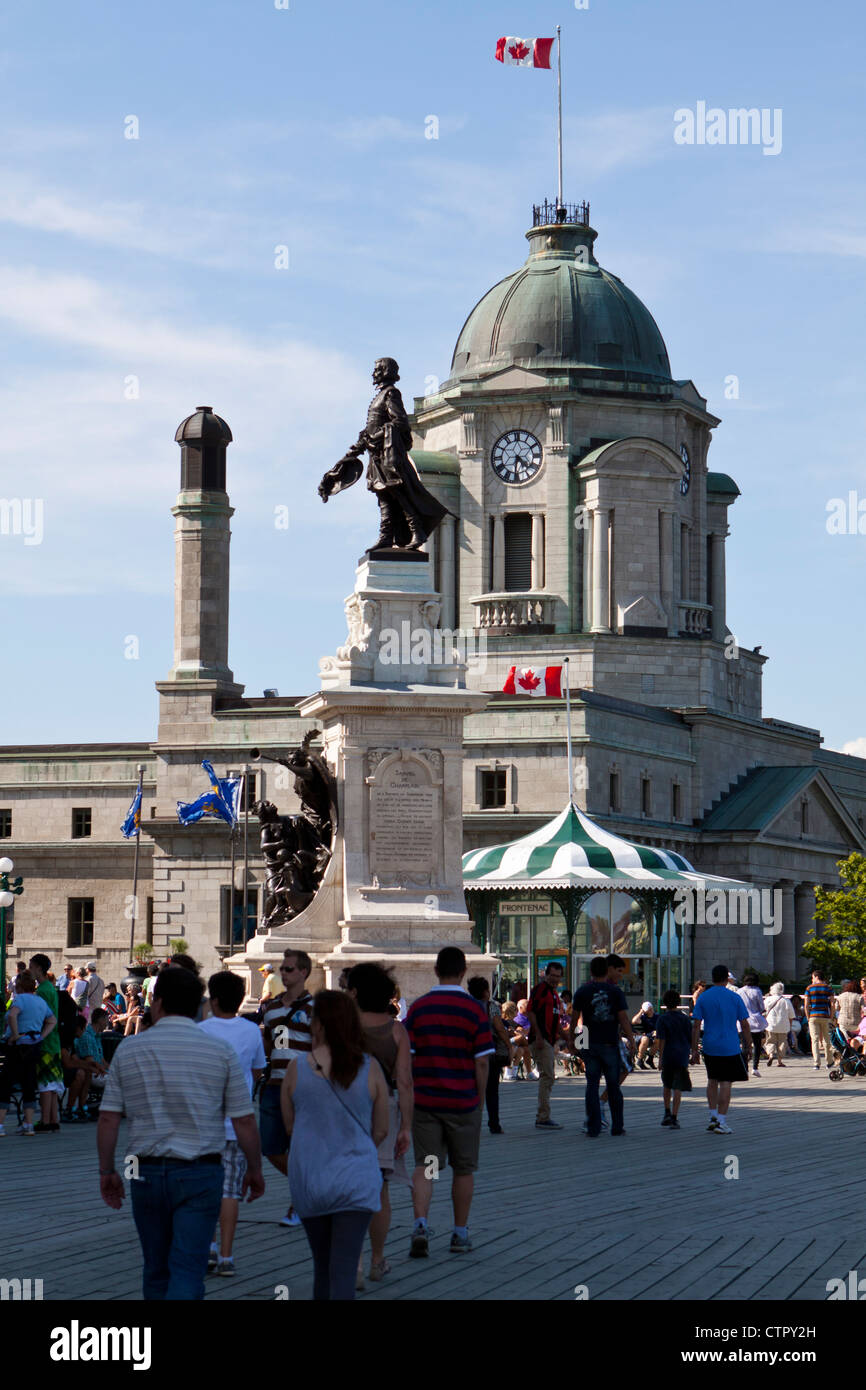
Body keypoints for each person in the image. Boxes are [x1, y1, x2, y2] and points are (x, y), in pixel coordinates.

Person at [97, 966, 264, 1300]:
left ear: (157, 1004)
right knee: (189, 1267)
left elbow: (108, 1120)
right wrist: (255, 1169)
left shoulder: (130, 1050)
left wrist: (107, 1171)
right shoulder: (220, 1051)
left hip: (144, 1170)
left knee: (155, 1268)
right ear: (198, 1006)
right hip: (201, 1170)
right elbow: (244, 1121)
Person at [280, 990, 389, 1301]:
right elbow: (381, 1129)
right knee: (343, 1271)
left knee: (322, 1269)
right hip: (356, 1179)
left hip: (311, 1179)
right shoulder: (370, 1068)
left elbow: (290, 1127)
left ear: (319, 1025)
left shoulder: (296, 1068)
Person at [404, 946, 494, 1257]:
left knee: (427, 1167)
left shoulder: (419, 1009)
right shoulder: (474, 1011)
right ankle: (459, 1233)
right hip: (463, 1103)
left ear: (435, 970)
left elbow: (407, 1058)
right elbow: (482, 1063)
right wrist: (479, 1100)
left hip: (427, 1102)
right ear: (464, 971)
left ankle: (420, 1223)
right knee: (462, 1169)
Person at [346, 962, 413, 1283]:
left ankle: (353, 1263)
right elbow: (405, 1082)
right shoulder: (396, 1030)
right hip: (384, 1110)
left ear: (355, 992)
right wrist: (406, 1127)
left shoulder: (344, 1027)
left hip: (345, 1109)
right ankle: (376, 1259)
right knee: (379, 1188)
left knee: (349, 1189)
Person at [198, 970, 266, 1277]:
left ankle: (208, 1247)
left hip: (202, 1122)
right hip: (236, 1122)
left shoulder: (201, 1030)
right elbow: (257, 1071)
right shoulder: (251, 1031)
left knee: (204, 1190)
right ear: (240, 1000)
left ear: (212, 999)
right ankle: (227, 1256)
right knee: (229, 1191)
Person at [260, 949, 314, 1227]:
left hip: (304, 1084)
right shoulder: (270, 1008)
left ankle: (298, 1204)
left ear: (304, 972)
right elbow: (270, 1044)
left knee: (300, 1145)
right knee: (270, 1145)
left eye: (289, 969)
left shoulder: (314, 1008)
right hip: (274, 1082)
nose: (284, 973)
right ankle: (308, 1184)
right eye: (283, 968)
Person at [571, 956, 634, 1137]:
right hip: (610, 1043)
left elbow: (576, 1019)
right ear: (607, 971)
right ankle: (617, 1126)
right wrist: (631, 1039)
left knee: (592, 1085)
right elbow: (623, 1018)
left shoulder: (582, 991)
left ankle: (593, 1126)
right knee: (613, 1085)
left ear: (590, 972)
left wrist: (573, 1041)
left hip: (590, 1044)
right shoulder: (614, 991)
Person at [690, 964, 751, 1134]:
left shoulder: (703, 997)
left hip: (710, 1044)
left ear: (713, 977)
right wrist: (749, 1045)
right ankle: (722, 1121)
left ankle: (713, 1115)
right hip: (730, 1045)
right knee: (726, 1083)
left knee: (712, 1080)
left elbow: (696, 1025)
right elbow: (745, 1025)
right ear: (727, 978)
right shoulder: (734, 997)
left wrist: (694, 1049)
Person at [0, 970, 57, 1136]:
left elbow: (12, 1015)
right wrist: (41, 1036)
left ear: (19, 986)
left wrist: (16, 1034)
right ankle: (28, 1123)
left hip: (17, 1045)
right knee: (29, 1083)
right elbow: (52, 1020)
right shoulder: (40, 1001)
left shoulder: (20, 999)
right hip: (34, 1045)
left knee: (6, 1083)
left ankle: (1, 1125)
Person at [467, 976, 511, 1134]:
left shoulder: (466, 1006)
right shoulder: (490, 1006)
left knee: (471, 1089)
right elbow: (499, 1028)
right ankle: (494, 1123)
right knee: (492, 1089)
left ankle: (471, 1122)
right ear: (486, 991)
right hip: (488, 1051)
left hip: (468, 1052)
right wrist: (508, 1045)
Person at [526, 962, 564, 1129]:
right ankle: (542, 1117)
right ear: (546, 975)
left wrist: (567, 1038)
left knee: (548, 1076)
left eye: (558, 976)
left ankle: (543, 1116)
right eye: (552, 975)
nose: (555, 979)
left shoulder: (554, 994)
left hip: (549, 1039)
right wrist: (539, 1036)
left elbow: (556, 1020)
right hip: (541, 1040)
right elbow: (531, 1011)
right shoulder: (541, 990)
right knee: (547, 1076)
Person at [28, 954, 63, 1131]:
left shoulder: (42, 990)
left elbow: (41, 1016)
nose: (30, 970)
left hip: (45, 1040)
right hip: (54, 1041)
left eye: (31, 966)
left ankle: (45, 1120)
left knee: (45, 1083)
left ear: (39, 969)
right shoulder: (50, 987)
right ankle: (53, 1119)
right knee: (53, 1083)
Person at [656, 990, 692, 1128]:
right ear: (678, 1002)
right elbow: (690, 1037)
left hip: (668, 1056)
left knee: (667, 1085)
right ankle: (675, 1117)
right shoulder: (684, 1019)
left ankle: (666, 1112)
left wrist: (659, 1059)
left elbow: (661, 1040)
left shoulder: (662, 1019)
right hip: (681, 1055)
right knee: (678, 1087)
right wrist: (692, 1052)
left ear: (664, 1003)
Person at [737, 973, 768, 1077]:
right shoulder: (757, 991)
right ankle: (755, 1067)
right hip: (755, 1021)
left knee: (745, 1045)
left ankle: (744, 1068)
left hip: (742, 1020)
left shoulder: (739, 991)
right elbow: (761, 1007)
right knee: (757, 1044)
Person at [804, 968, 836, 1069]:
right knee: (827, 1040)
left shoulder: (809, 988)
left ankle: (816, 1063)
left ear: (816, 977)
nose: (812, 979)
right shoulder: (828, 988)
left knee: (815, 1040)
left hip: (813, 1016)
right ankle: (829, 1061)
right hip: (825, 1016)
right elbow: (832, 1003)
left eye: (812, 977)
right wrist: (831, 1016)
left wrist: (808, 1017)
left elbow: (806, 1005)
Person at [764, 984, 795, 1065]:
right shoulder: (786, 1001)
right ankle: (779, 1061)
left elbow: (763, 1010)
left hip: (770, 1024)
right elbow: (791, 1015)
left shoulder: (768, 999)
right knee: (782, 1042)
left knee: (770, 1040)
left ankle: (771, 1054)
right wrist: (790, 1025)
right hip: (783, 1025)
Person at [631, 1001, 660, 1069]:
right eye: (648, 1009)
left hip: (654, 1036)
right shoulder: (643, 1017)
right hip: (644, 1036)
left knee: (659, 1038)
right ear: (645, 1011)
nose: (650, 1010)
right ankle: (640, 1060)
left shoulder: (657, 1016)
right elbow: (634, 1021)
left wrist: (657, 1031)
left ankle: (650, 1059)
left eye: (651, 1008)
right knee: (645, 1039)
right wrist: (641, 1012)